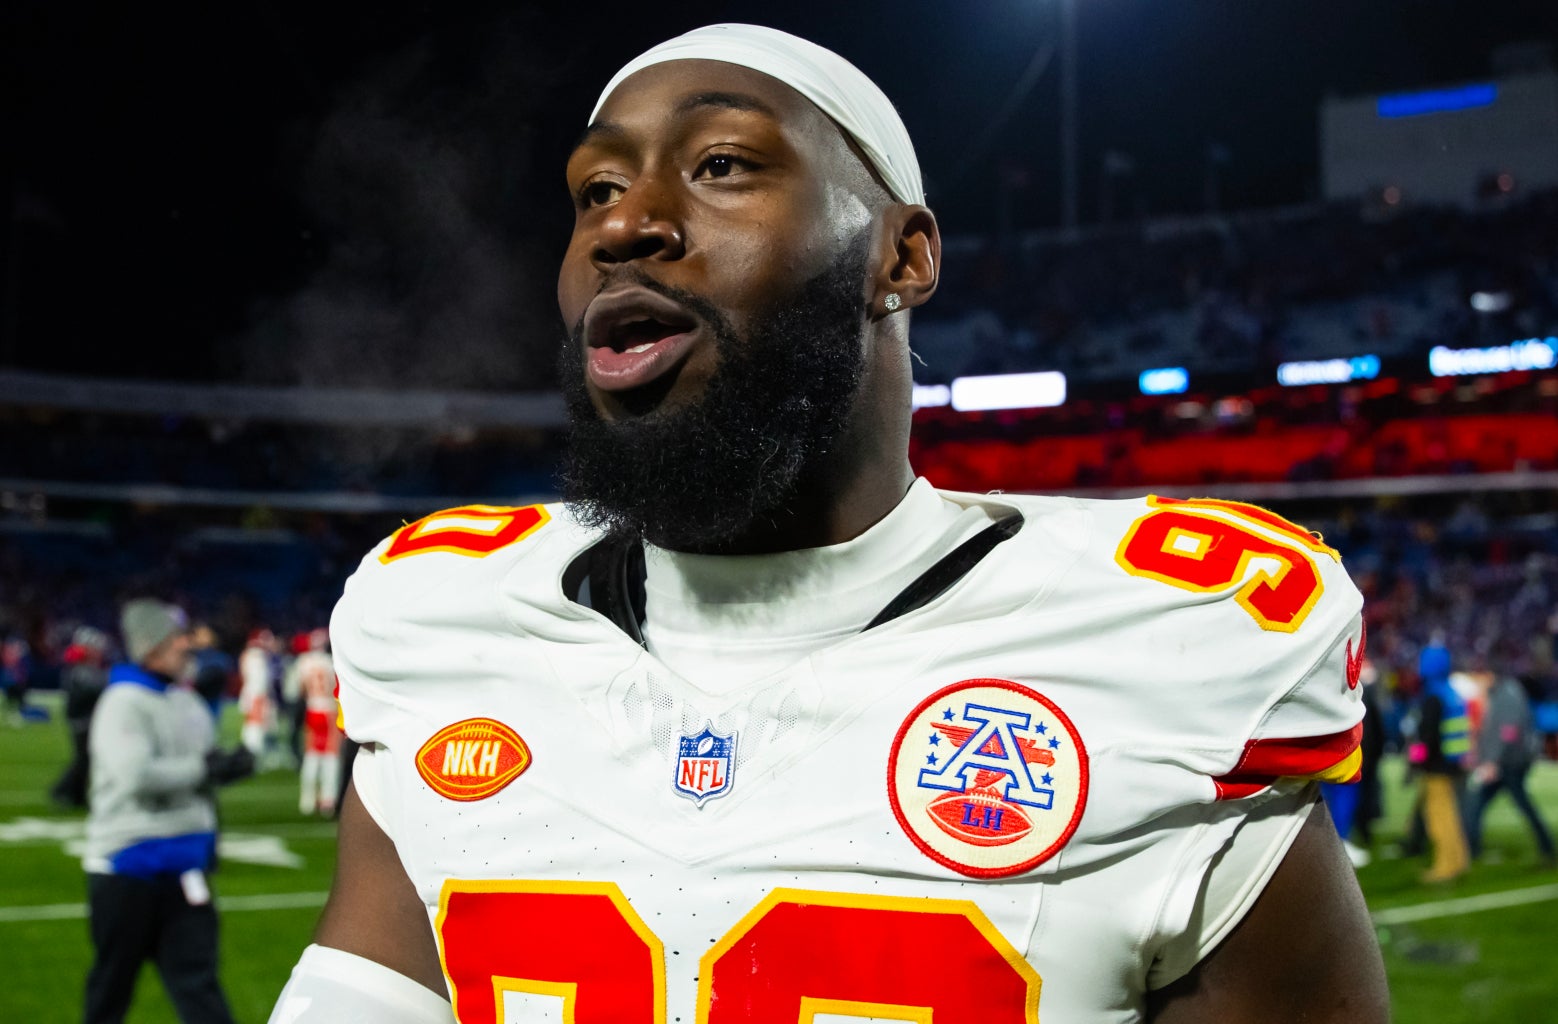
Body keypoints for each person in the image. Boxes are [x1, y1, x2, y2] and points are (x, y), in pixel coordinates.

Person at [270, 25, 1387, 1023]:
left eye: (720, 166)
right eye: (595, 189)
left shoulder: (1161, 642)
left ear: (900, 256)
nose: (628, 225)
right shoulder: (443, 622)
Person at [82, 598, 256, 1024]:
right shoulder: (122, 702)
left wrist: (229, 766)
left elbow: (202, 764)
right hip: (128, 867)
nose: (187, 645)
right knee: (111, 988)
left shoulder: (187, 701)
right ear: (152, 648)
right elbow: (134, 775)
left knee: (199, 985)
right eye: (177, 638)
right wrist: (204, 769)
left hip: (186, 870)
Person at [1465, 672, 1556, 864]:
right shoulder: (1509, 694)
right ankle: (1471, 848)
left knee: (1481, 803)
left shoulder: (1508, 695)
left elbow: (1508, 731)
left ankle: (1546, 846)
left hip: (1508, 764)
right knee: (1479, 804)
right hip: (1507, 763)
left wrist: (1492, 761)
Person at [1408, 643, 1472, 883]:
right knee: (1451, 814)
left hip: (1436, 766)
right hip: (1452, 762)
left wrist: (1415, 762)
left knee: (1439, 817)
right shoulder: (1451, 691)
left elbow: (1427, 736)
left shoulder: (1432, 696)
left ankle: (1445, 866)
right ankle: (1459, 860)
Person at [50, 625, 111, 808]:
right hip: (82, 720)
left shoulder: (81, 667)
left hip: (84, 718)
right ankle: (62, 791)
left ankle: (76, 796)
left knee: (85, 759)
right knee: (84, 759)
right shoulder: (81, 669)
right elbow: (94, 688)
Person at [291, 629, 341, 816]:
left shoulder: (303, 662)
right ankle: (328, 799)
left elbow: (300, 689)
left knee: (311, 754)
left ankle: (307, 800)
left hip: (313, 710)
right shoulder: (331, 662)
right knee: (331, 755)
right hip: (329, 711)